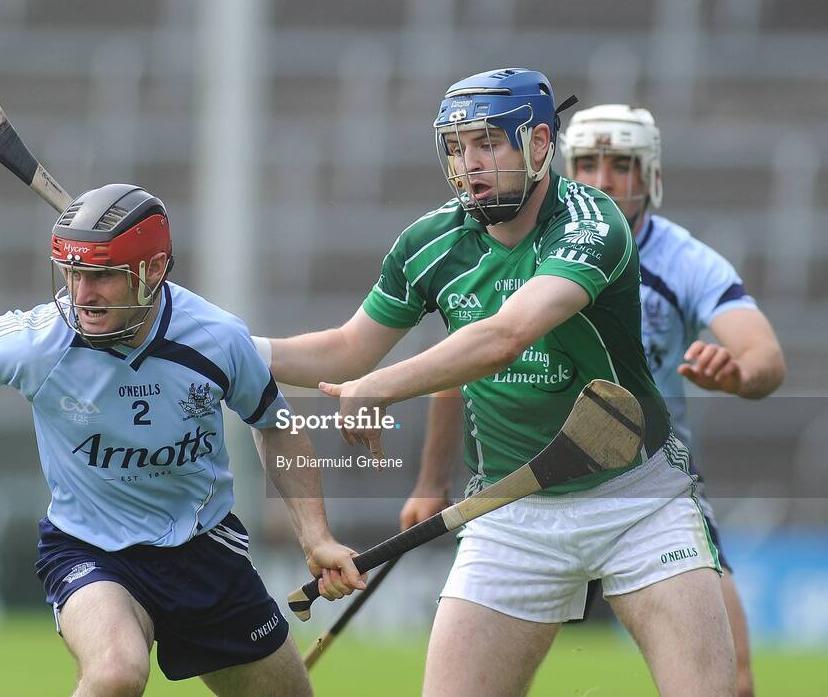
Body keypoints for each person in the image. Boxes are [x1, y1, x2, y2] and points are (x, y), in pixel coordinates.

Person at [254, 69, 737, 695]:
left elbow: (506, 335)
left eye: (487, 144)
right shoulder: (430, 243)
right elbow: (347, 348)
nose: (468, 165)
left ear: (539, 145)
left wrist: (379, 387)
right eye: (455, 148)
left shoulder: (592, 224)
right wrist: (236, 349)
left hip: (635, 497)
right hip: (510, 508)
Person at [0, 184, 364, 697]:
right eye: (73, 274)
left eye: (102, 276)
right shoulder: (40, 341)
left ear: (154, 270)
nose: (82, 296)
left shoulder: (217, 338)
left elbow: (276, 424)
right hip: (89, 547)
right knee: (116, 671)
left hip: (204, 548)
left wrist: (316, 536)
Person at [402, 104, 785, 697]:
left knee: (730, 681)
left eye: (622, 165)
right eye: (588, 164)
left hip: (647, 488)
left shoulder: (684, 261)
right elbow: (465, 367)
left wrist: (738, 372)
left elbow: (765, 360)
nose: (603, 180)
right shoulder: (520, 243)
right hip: (530, 492)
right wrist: (431, 481)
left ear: (652, 176)